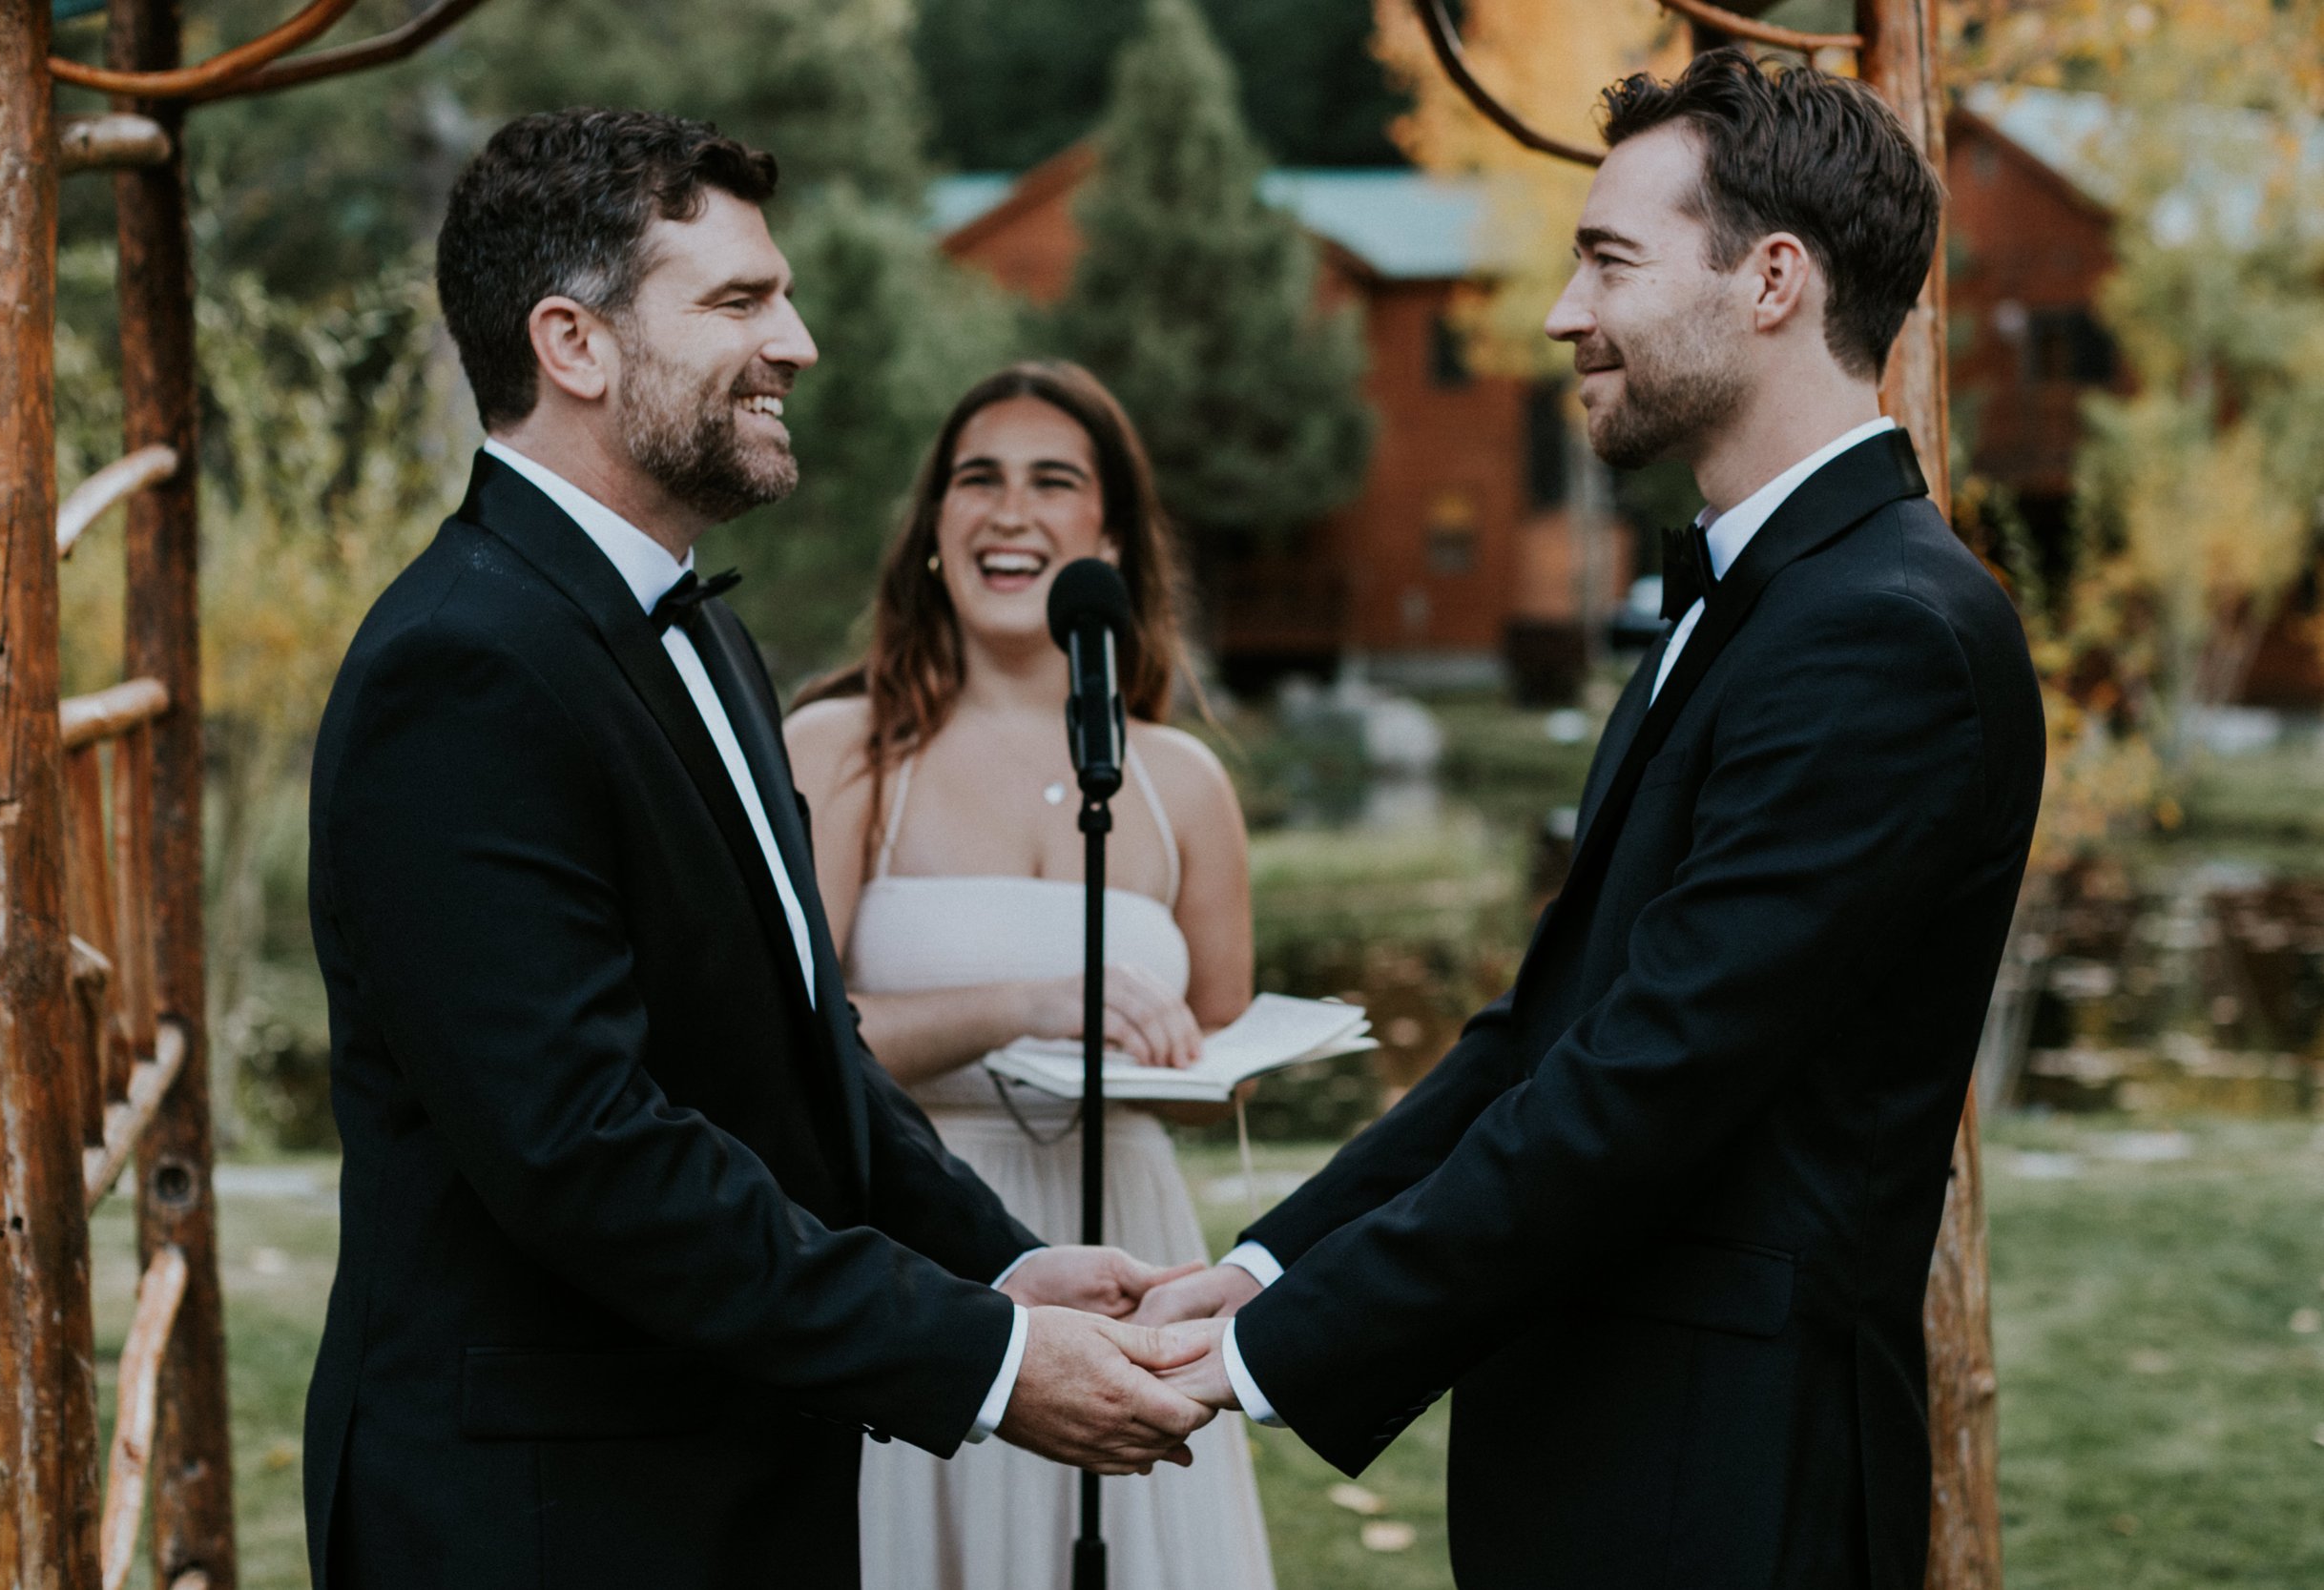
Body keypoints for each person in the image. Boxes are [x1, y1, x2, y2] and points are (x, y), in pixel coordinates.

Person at [1139, 50, 2045, 1590]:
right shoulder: (1754, 601)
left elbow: (1647, 1085)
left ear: (1772, 280)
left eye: (1609, 259)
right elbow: (1543, 1036)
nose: (1566, 313)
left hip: (1729, 1481)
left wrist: (1273, 1357)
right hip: (1609, 1455)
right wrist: (1260, 1269)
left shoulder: (1890, 632)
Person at [301, 111, 1216, 1590]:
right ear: (573, 345)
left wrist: (993, 1262)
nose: (795, 341)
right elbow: (589, 1151)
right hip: (552, 1518)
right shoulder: (461, 669)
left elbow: (798, 1051)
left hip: (731, 1478)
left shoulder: (702, 636)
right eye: (736, 302)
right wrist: (981, 1357)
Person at [786, 361, 1276, 1590]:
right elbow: (790, 1043)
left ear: (1105, 534)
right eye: (977, 480)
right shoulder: (842, 751)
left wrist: (1191, 1058)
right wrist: (1030, 1004)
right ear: (934, 531)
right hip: (920, 1242)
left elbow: (1221, 1034)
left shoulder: (1183, 782)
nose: (1010, 511)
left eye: (1052, 481)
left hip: (1134, 1240)